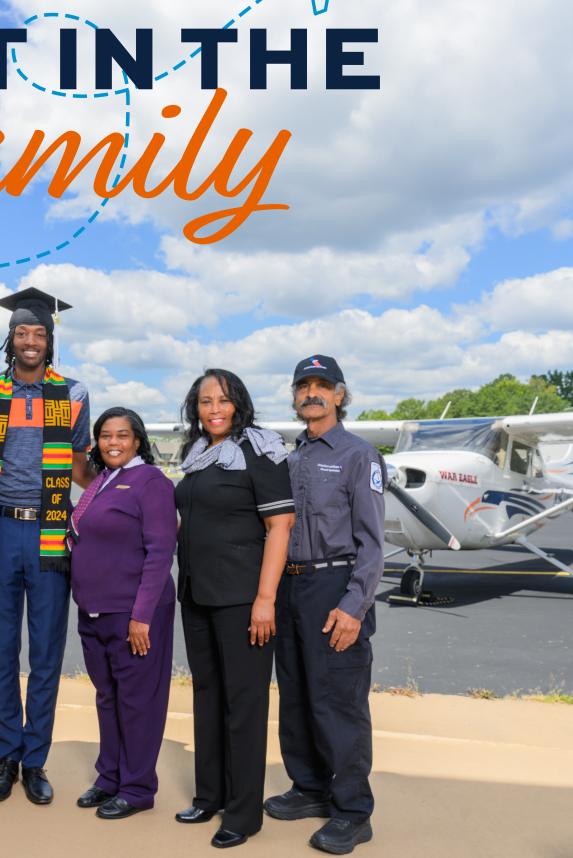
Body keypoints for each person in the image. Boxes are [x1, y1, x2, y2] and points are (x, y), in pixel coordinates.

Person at [0, 287, 94, 805]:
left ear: (51, 338)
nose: (31, 341)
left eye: (40, 333)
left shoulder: (75, 394)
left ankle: (35, 759)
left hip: (50, 533)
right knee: (1, 652)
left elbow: (84, 466)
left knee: (45, 655)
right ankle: (6, 755)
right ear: (10, 338)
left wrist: (127, 493)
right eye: (22, 332)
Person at [264, 356, 386, 855]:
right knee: (295, 698)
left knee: (338, 701)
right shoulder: (289, 459)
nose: (312, 393)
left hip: (335, 586)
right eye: (304, 386)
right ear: (295, 396)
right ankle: (310, 788)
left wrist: (354, 606)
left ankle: (354, 811)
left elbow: (373, 544)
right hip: (292, 587)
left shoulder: (360, 456)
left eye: (323, 386)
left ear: (339, 395)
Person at [174, 369, 296, 849]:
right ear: (195, 409)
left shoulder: (259, 449)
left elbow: (281, 526)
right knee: (207, 696)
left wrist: (265, 600)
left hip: (243, 599)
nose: (214, 409)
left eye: (223, 400)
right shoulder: (198, 452)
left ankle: (243, 814)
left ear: (239, 403)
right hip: (197, 594)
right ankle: (211, 796)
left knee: (243, 704)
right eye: (205, 402)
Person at [70, 407, 178, 819]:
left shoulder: (149, 481)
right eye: (105, 435)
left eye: (122, 435)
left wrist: (142, 616)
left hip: (132, 612)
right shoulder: (102, 481)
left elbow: (159, 552)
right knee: (108, 697)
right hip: (94, 612)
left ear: (137, 440)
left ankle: (137, 788)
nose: (113, 442)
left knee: (137, 702)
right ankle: (110, 776)